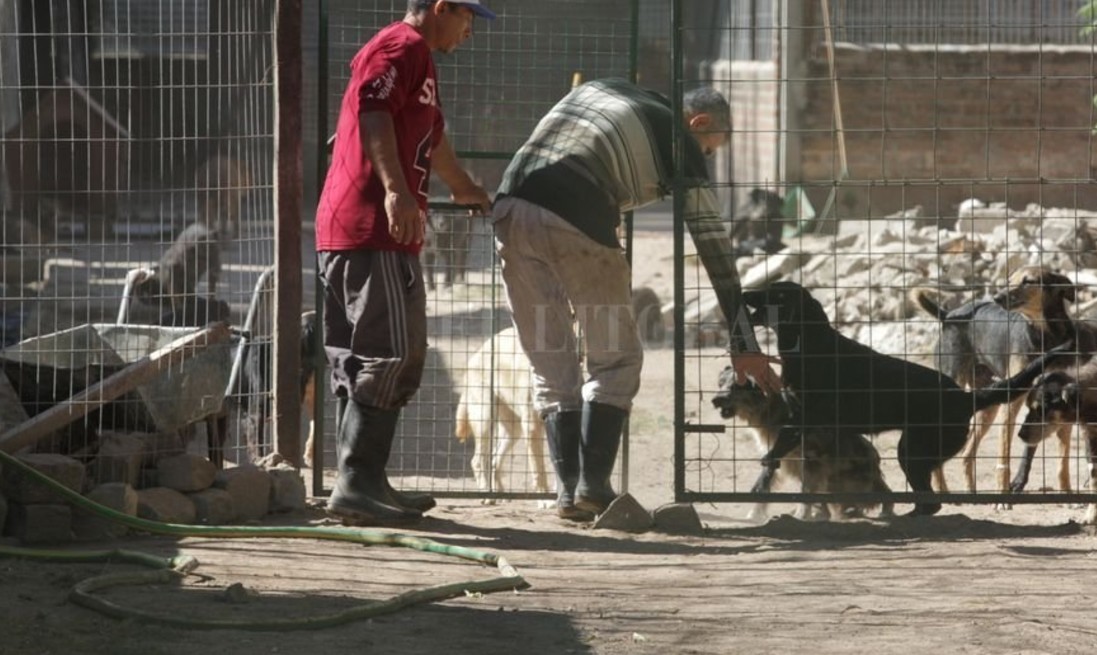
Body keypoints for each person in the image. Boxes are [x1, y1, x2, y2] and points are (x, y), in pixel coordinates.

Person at [492, 79, 784, 521]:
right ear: (698, 123)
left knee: (551, 360)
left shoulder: (607, 90)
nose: (705, 158)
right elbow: (715, 250)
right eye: (709, 148)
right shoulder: (678, 140)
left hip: (510, 211)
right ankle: (592, 487)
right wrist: (744, 344)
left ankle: (568, 494)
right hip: (577, 223)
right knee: (616, 359)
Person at [315, 0, 495, 524]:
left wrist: (463, 188)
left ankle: (366, 481)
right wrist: (396, 191)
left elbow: (428, 133)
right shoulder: (404, 45)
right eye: (468, 18)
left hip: (352, 230)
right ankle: (357, 483)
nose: (470, 32)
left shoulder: (413, 57)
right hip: (374, 229)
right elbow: (373, 110)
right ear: (441, 8)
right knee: (393, 354)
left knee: (362, 355)